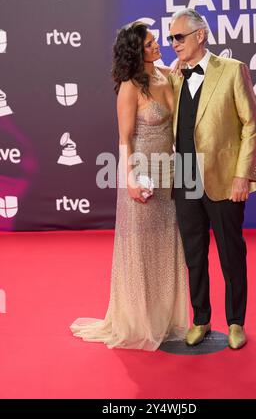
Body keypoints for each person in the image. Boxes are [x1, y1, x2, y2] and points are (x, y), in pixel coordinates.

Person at [70, 21, 189, 350]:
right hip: (143, 174)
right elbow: (124, 140)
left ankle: (165, 319)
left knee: (167, 247)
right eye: (150, 43)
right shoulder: (129, 87)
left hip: (169, 174)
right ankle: (139, 320)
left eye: (154, 41)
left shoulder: (166, 74)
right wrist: (132, 180)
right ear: (136, 51)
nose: (157, 45)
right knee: (142, 250)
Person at [168, 8, 256, 349]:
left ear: (200, 35)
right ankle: (201, 318)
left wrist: (243, 175)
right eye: (170, 38)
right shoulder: (174, 76)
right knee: (194, 254)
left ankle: (236, 321)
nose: (173, 43)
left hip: (224, 178)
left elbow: (252, 125)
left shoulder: (233, 71)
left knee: (230, 252)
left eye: (179, 37)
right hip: (184, 179)